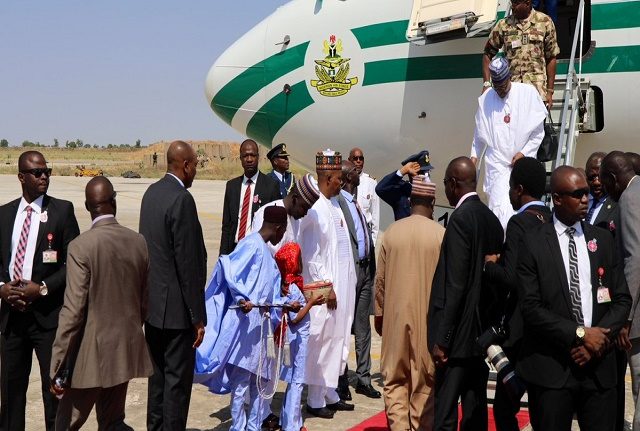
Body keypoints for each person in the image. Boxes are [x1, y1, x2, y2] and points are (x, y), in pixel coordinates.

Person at [517, 165, 631, 431]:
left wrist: (597, 340)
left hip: (598, 371)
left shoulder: (602, 240)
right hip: (553, 371)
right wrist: (580, 334)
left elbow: (622, 299)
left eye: (586, 193)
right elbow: (531, 308)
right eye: (577, 194)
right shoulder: (533, 242)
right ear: (557, 198)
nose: (585, 199)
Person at [49, 176, 153, 430]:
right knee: (113, 421)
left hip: (90, 356)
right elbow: (144, 302)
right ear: (114, 202)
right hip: (124, 350)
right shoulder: (138, 241)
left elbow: (73, 311)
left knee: (66, 424)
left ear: (87, 207)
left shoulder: (81, 247)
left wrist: (58, 362)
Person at [0, 150, 80, 431]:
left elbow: (74, 264)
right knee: (10, 394)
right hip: (12, 319)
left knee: (54, 393)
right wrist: (2, 288)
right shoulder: (4, 214)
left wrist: (43, 288)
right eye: (37, 172)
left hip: (48, 320)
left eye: (47, 171)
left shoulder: (62, 211)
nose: (44, 176)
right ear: (21, 177)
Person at [195, 205, 288, 431]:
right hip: (245, 329)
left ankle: (253, 427)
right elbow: (229, 267)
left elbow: (272, 294)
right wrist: (241, 297)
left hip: (261, 329)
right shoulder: (251, 245)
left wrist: (285, 305)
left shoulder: (269, 255)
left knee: (260, 384)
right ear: (277, 227)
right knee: (240, 385)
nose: (283, 235)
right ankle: (238, 427)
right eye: (284, 230)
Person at [428, 156, 503, 431]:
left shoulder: (460, 220)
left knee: (445, 413)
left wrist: (444, 339)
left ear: (454, 184)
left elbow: (456, 284)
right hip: (479, 334)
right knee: (474, 410)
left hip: (457, 338)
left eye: (446, 183)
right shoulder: (491, 219)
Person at [139, 141, 208, 430]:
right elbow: (187, 263)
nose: (195, 171)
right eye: (195, 165)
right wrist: (197, 317)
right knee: (177, 387)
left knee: (157, 382)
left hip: (153, 308)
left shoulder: (151, 193)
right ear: (185, 165)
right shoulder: (182, 199)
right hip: (178, 312)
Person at [482, 157, 550, 431]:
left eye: (511, 188)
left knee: (504, 408)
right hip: (546, 327)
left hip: (520, 331)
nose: (509, 194)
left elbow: (512, 278)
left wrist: (489, 265)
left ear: (519, 189)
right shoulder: (551, 218)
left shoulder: (520, 223)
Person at [375, 175, 444, 431]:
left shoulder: (392, 233)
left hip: (394, 319)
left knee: (393, 381)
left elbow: (379, 283)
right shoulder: (441, 235)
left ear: (410, 200)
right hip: (428, 322)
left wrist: (381, 315)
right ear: (433, 202)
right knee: (424, 382)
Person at [298, 149, 357, 418]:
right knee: (322, 342)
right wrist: (326, 286)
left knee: (339, 339)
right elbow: (311, 256)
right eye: (338, 179)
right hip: (327, 289)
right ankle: (315, 398)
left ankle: (330, 390)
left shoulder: (334, 204)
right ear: (328, 177)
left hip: (344, 284)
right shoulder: (315, 209)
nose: (341, 183)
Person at [471, 57, 547, 230]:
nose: (500, 91)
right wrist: (474, 157)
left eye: (503, 86)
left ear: (509, 77)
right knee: (499, 209)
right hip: (497, 164)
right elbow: (479, 134)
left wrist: (524, 153)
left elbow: (538, 132)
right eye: (496, 87)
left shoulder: (527, 93)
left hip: (522, 163)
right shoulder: (486, 99)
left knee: (524, 207)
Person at [599, 152, 640, 430]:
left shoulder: (629, 198)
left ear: (613, 179)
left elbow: (634, 258)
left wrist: (624, 315)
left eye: (604, 183)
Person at [337, 160, 380, 400]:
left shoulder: (356, 200)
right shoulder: (340, 203)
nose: (357, 170)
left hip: (365, 271)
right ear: (345, 178)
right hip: (350, 273)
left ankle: (363, 378)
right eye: (352, 170)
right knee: (344, 328)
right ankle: (341, 379)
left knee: (363, 329)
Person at [273, 242, 325, 431]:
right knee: (297, 381)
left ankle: (287, 421)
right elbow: (295, 319)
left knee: (293, 380)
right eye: (299, 259)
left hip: (295, 339)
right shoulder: (292, 288)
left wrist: (311, 302)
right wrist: (310, 303)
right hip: (298, 340)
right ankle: (292, 425)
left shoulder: (289, 283)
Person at [483, 0, 560, 107]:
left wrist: (550, 92)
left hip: (536, 94)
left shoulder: (545, 22)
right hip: (512, 95)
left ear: (527, 3)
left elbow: (551, 57)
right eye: (511, 3)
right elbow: (487, 54)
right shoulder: (503, 25)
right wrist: (486, 83)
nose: (512, 7)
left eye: (515, 3)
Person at [220, 139, 281, 255]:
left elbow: (276, 226)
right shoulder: (231, 186)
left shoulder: (271, 186)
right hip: (235, 249)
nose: (249, 159)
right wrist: (222, 256)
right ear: (240, 159)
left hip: (259, 250)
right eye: (245, 156)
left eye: (252, 155)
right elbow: (226, 227)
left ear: (258, 157)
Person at [251, 173, 320, 256]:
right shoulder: (268, 214)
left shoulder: (296, 221)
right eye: (304, 208)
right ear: (294, 199)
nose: (305, 213)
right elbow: (257, 253)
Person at [375, 150, 433, 221]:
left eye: (428, 173)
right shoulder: (402, 190)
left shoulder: (428, 192)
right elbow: (380, 189)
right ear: (412, 173)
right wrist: (403, 171)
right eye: (423, 173)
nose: (426, 176)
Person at [349, 148, 380, 244]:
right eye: (355, 158)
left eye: (361, 158)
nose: (358, 161)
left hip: (365, 233)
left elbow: (375, 214)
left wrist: (373, 242)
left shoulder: (371, 182)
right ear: (349, 160)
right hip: (348, 232)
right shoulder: (343, 181)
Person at [585, 152, 619, 232]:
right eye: (591, 177)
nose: (596, 182)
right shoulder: (578, 199)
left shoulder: (619, 204)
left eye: (600, 176)